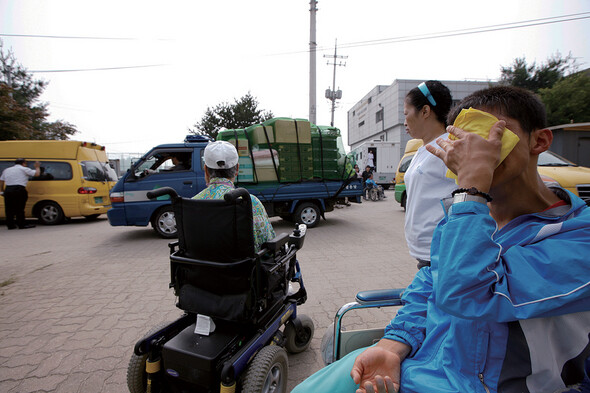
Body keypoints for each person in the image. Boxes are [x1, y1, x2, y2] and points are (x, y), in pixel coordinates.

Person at [292, 86, 590, 393]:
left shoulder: (578, 238)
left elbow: (470, 295)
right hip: (417, 371)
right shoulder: (465, 216)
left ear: (538, 140)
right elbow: (430, 282)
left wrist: (471, 191)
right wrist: (393, 346)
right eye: (463, 138)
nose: (473, 149)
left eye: (491, 134)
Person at [403, 80, 457, 269]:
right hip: (425, 252)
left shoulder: (449, 147)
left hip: (441, 253)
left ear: (425, 111)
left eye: (406, 113)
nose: (404, 122)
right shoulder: (423, 149)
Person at [193, 141, 275, 252]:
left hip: (200, 268)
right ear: (237, 169)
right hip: (242, 268)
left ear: (206, 170)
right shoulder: (250, 202)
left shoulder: (193, 203)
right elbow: (266, 243)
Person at [0, 158, 41, 229]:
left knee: (9, 208)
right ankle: (21, 224)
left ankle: (10, 225)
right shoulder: (24, 169)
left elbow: (1, 181)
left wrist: (1, 191)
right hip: (19, 189)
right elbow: (37, 174)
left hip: (8, 189)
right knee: (20, 208)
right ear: (23, 163)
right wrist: (37, 167)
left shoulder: (7, 170)